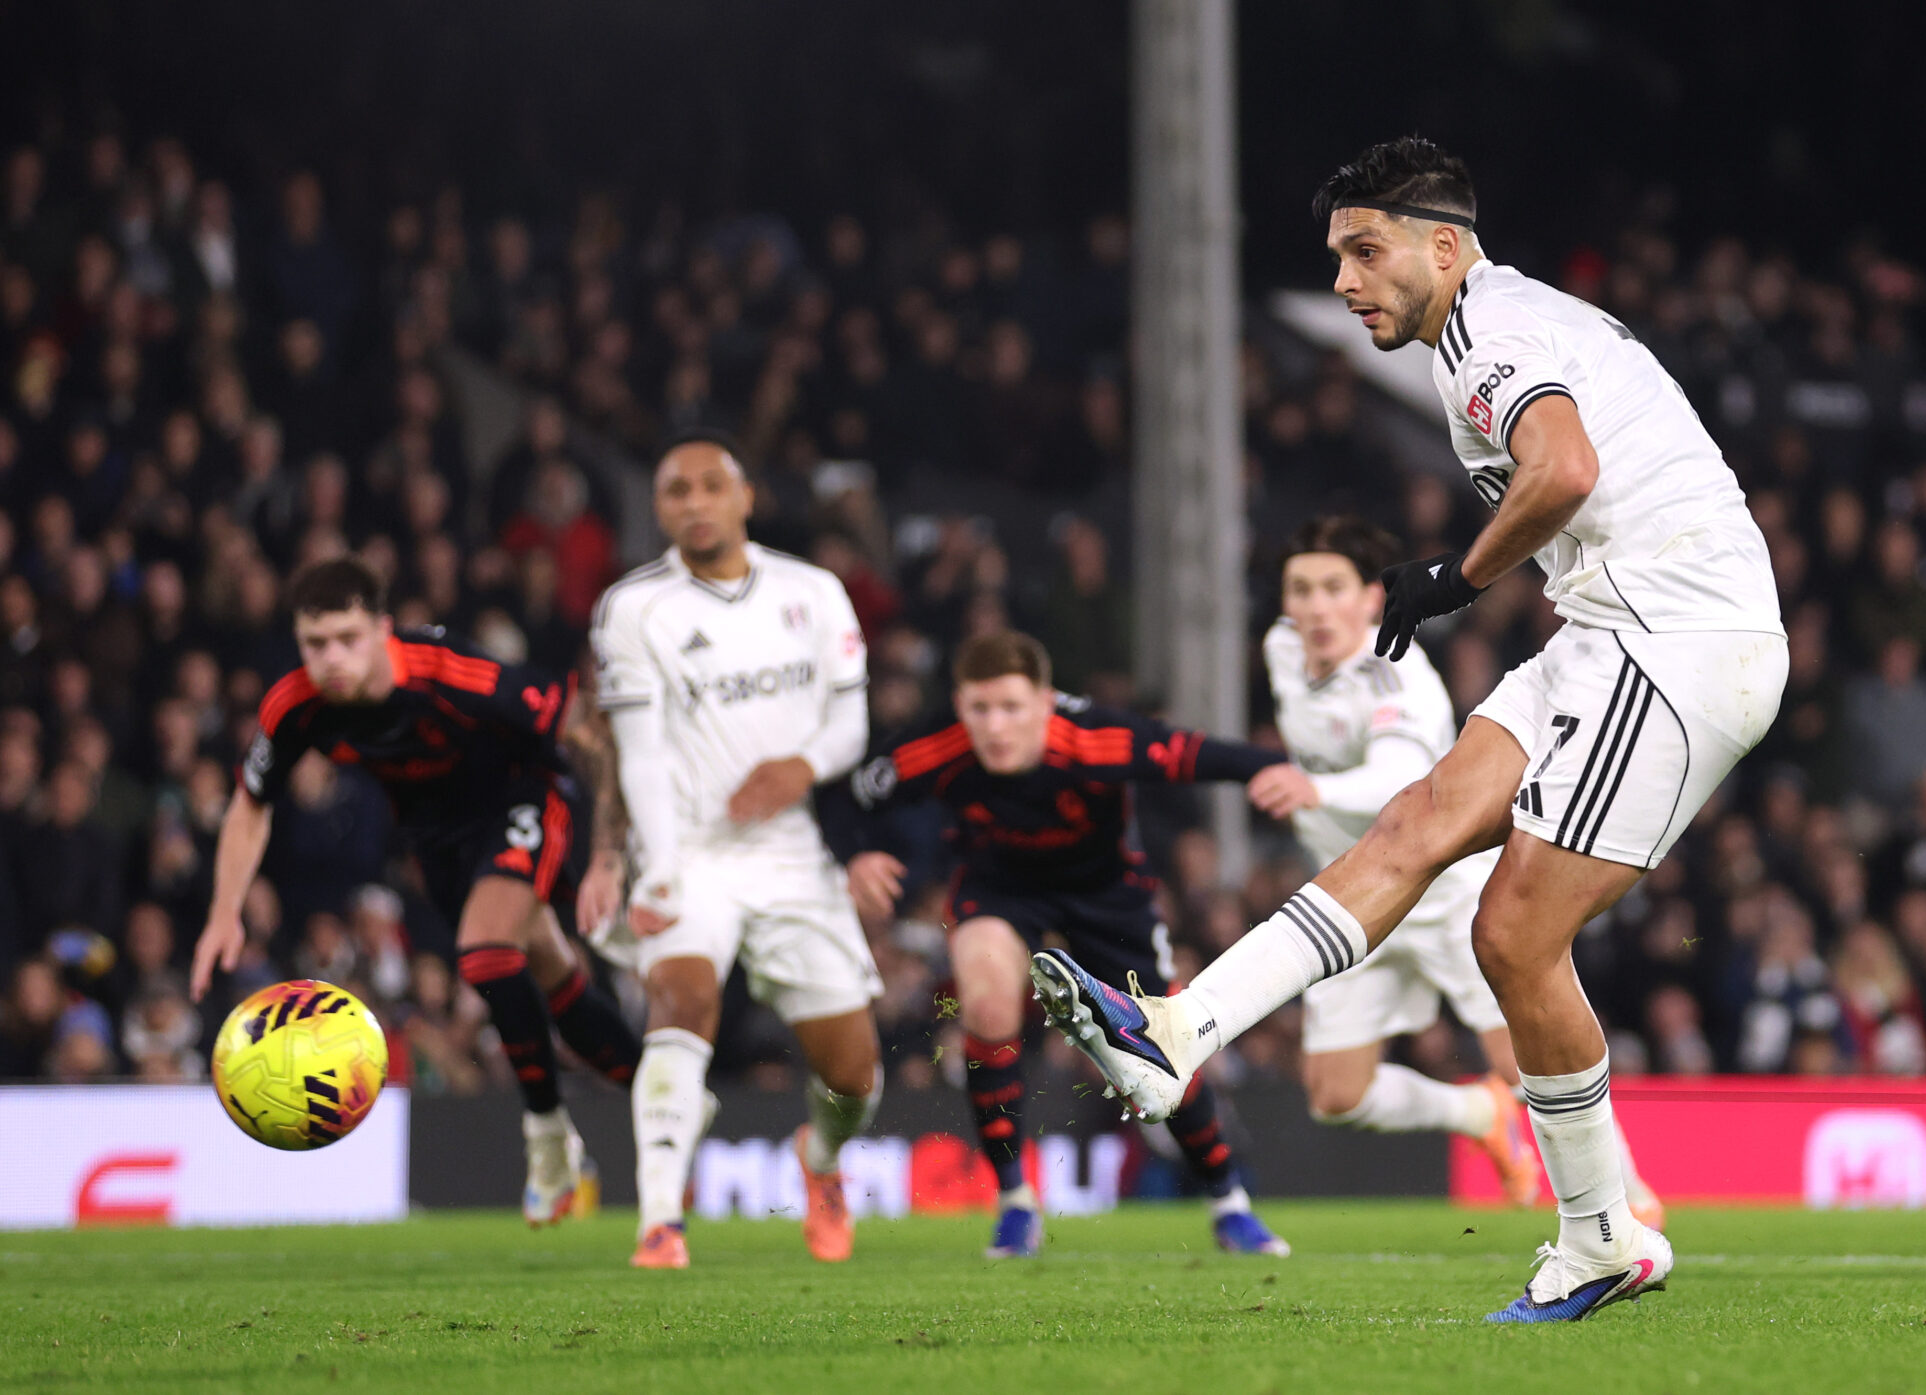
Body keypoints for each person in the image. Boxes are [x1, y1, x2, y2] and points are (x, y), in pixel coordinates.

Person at [1031, 137, 1785, 1322]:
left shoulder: (1491, 331)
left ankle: (1601, 1232)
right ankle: (1174, 1032)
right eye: (1337, 258)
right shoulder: (1470, 334)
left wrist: (1457, 573)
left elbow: (1565, 467)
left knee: (1511, 936)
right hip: (1606, 631)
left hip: (1678, 636)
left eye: (1364, 252)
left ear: (1443, 245)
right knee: (1414, 820)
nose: (1344, 283)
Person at [190, 556, 641, 1225]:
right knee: (546, 967)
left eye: (347, 638)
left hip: (525, 798)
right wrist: (224, 910)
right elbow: (251, 803)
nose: (332, 659)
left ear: (381, 630)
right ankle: (664, 1089)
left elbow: (590, 733)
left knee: (486, 953)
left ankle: (547, 1137)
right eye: (315, 644)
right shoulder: (295, 705)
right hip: (437, 840)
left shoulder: (454, 672)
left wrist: (607, 856)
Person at [837, 628, 1299, 1259]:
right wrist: (860, 853)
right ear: (959, 704)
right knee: (988, 1009)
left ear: (1046, 701)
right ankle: (1014, 1204)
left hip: (1107, 898)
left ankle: (1227, 1201)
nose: (995, 726)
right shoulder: (934, 746)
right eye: (979, 709)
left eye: (1011, 708)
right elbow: (854, 790)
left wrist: (1276, 771)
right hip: (998, 891)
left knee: (1167, 1049)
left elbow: (1195, 754)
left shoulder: (1096, 737)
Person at [1257, 514, 1662, 1226]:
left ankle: (1630, 1198)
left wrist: (1316, 791)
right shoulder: (1282, 650)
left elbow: (1403, 773)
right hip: (1353, 888)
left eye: (1333, 588)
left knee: (1522, 1051)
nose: (1316, 606)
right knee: (1335, 1096)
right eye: (1301, 589)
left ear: (1368, 600)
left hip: (1440, 890)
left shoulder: (1399, 673)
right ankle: (1477, 1112)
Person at [574, 431, 882, 1272]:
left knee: (854, 1075)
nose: (696, 502)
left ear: (746, 497)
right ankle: (660, 1222)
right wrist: (659, 866)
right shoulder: (634, 609)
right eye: (677, 490)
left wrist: (800, 766)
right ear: (659, 507)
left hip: (789, 853)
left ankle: (819, 1161)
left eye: (713, 486)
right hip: (691, 848)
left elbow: (852, 724)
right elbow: (633, 751)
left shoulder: (813, 592)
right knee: (680, 1002)